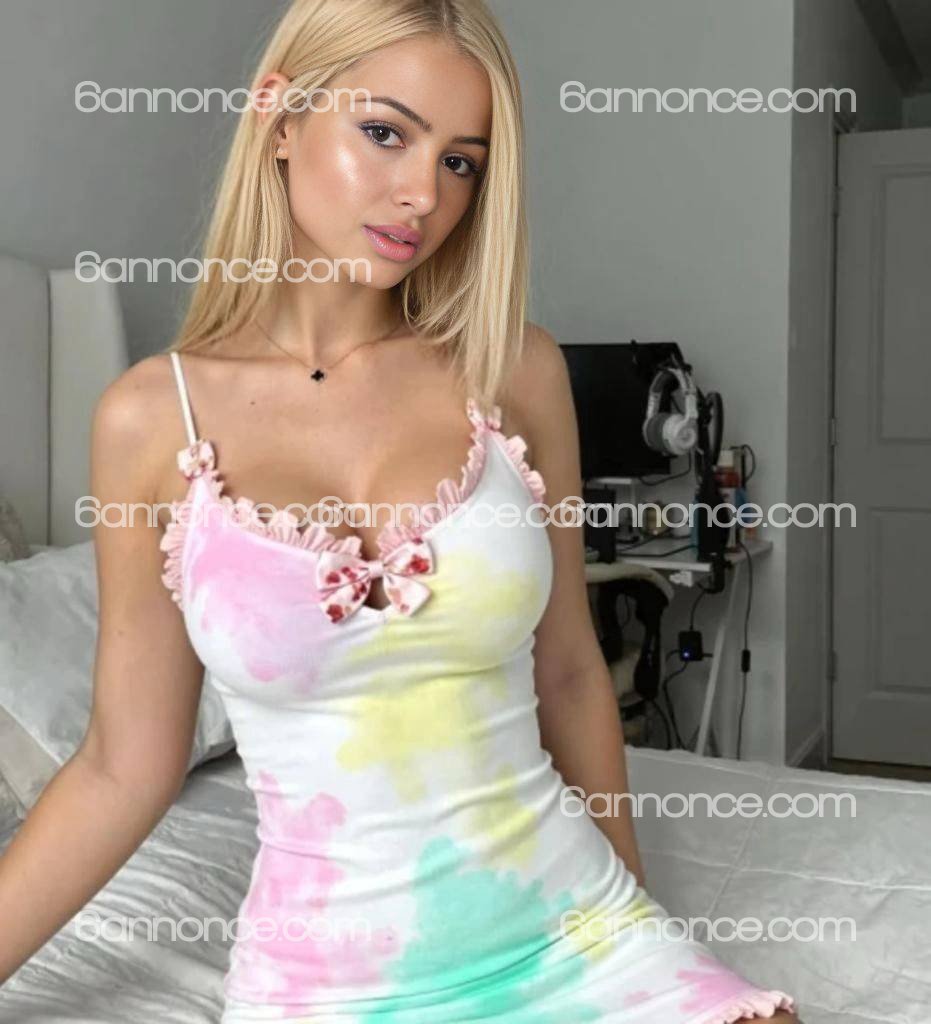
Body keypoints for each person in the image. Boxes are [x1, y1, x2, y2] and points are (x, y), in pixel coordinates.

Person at [0, 1, 799, 1021]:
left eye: (460, 161)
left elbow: (567, 673)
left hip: (578, 931)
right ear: (279, 116)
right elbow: (124, 764)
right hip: (331, 983)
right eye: (384, 133)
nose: (424, 193)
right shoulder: (152, 420)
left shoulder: (515, 369)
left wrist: (637, 922)